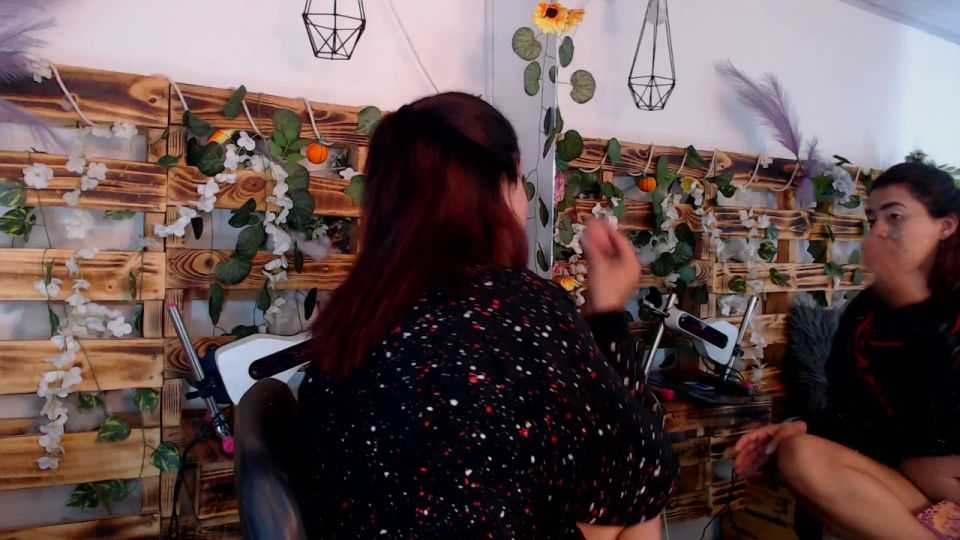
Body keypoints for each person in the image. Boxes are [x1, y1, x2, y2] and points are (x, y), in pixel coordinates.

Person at [297, 92, 677, 539]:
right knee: (633, 509)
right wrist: (608, 315)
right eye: (520, 182)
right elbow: (642, 468)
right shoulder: (519, 305)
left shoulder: (354, 315)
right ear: (499, 187)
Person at [734, 162, 960, 540]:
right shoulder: (866, 313)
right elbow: (854, 411)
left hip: (938, 477)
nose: (879, 231)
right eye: (872, 218)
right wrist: (800, 427)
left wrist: (913, 305)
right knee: (800, 455)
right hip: (912, 483)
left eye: (895, 216)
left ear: (946, 226)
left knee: (927, 468)